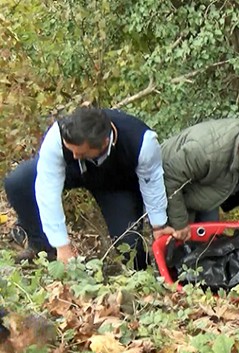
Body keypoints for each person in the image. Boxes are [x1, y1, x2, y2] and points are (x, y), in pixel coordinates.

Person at [4, 108, 173, 269]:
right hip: (74, 172)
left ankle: (141, 276)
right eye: (71, 150)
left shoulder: (142, 141)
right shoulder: (59, 134)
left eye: (81, 152)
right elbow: (47, 190)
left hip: (117, 184)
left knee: (129, 244)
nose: (75, 155)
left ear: (104, 142)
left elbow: (152, 184)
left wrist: (159, 225)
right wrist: (61, 244)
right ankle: (42, 247)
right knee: (18, 182)